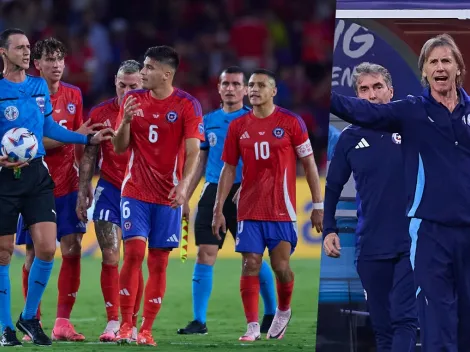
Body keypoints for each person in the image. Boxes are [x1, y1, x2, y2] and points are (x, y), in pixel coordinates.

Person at [329, 34, 470, 351]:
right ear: (424, 72)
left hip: (442, 236)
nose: (440, 67)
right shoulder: (405, 115)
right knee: (414, 325)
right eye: (432, 62)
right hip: (406, 239)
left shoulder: (443, 117)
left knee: (440, 322)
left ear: (459, 68)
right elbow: (361, 115)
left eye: (446, 60)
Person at [0, 28, 111, 347]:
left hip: (36, 173)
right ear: (3, 53)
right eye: (19, 47)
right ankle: (7, 327)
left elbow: (47, 126)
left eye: (27, 47)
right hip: (5, 177)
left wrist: (85, 138)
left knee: (48, 248)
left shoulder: (37, 87)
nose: (25, 51)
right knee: (4, 253)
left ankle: (30, 316)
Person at [212, 69, 323, 341]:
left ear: (274, 91)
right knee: (250, 263)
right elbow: (228, 168)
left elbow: (308, 164)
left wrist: (318, 205)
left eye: (261, 85)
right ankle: (252, 326)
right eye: (251, 85)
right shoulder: (238, 126)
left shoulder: (291, 122)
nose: (254, 89)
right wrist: (218, 208)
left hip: (281, 209)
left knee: (280, 267)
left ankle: (283, 311)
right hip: (249, 209)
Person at [112, 45, 204, 346]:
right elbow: (119, 147)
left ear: (166, 74)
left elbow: (193, 152)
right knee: (135, 253)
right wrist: (124, 121)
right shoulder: (133, 99)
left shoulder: (188, 105)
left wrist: (184, 187)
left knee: (159, 262)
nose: (143, 73)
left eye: (149, 67)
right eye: (143, 66)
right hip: (135, 190)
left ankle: (146, 329)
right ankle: (126, 324)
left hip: (168, 195)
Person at [323, 62, 418, 352]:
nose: (372, 94)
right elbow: (333, 186)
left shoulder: (411, 124)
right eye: (364, 89)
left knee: (405, 320)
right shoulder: (348, 139)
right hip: (371, 245)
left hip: (411, 243)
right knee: (382, 327)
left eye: (378, 87)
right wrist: (329, 228)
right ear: (356, 98)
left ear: (391, 90)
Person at [177, 66, 277, 335]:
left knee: (252, 256)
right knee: (205, 253)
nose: (230, 88)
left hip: (246, 192)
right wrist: (185, 194)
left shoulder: (255, 120)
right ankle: (199, 321)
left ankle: (271, 313)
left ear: (245, 89)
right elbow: (200, 161)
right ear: (219, 88)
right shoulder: (208, 121)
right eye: (226, 84)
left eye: (236, 84)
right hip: (212, 191)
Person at [76, 59, 145, 342]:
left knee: (133, 258)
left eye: (133, 87)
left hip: (141, 192)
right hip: (110, 189)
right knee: (110, 255)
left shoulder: (152, 111)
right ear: (115, 82)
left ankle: (130, 323)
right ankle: (113, 321)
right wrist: (83, 189)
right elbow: (90, 152)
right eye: (122, 85)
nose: (126, 92)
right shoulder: (101, 112)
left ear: (142, 84)